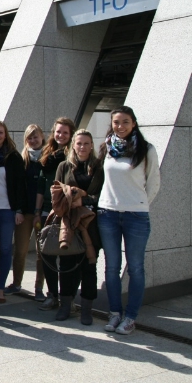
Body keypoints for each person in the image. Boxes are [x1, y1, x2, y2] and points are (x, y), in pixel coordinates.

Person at [97, 106, 160, 335]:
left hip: (136, 216)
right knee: (111, 267)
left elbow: (153, 183)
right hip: (108, 214)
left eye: (125, 122)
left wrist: (140, 204)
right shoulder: (106, 147)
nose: (120, 126)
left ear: (134, 123)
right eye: (116, 122)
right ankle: (114, 314)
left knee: (135, 268)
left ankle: (130, 317)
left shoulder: (146, 150)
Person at [45, 129, 104, 322]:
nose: (82, 147)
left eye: (86, 143)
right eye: (79, 143)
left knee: (89, 266)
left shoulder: (98, 167)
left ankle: (86, 309)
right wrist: (72, 198)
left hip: (91, 223)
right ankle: (65, 305)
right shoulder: (64, 166)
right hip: (69, 223)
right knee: (68, 265)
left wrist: (84, 199)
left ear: (92, 145)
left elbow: (102, 196)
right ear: (73, 145)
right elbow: (56, 191)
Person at [0, 120, 26, 304]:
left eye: (1, 132)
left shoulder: (13, 157)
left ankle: (0, 288)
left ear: (5, 134)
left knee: (6, 248)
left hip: (8, 210)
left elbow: (19, 185)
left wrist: (19, 210)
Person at [37, 117, 76, 310]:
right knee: (47, 254)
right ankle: (51, 294)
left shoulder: (73, 156)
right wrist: (37, 211)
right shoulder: (48, 153)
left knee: (67, 255)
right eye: (58, 132)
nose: (61, 135)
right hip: (46, 209)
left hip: (66, 211)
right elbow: (41, 185)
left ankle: (67, 296)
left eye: (65, 133)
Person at [6, 124, 46, 300]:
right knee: (20, 250)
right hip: (25, 212)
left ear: (42, 138)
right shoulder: (23, 160)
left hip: (42, 213)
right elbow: (19, 188)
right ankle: (16, 283)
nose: (33, 140)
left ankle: (39, 288)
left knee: (41, 252)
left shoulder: (48, 158)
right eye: (29, 138)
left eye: (36, 137)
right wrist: (19, 210)